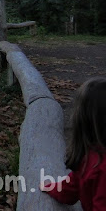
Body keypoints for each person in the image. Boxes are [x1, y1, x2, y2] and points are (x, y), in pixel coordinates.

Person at [42, 77, 106, 210]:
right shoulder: (89, 158)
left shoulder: (94, 162)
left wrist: (45, 187)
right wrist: (49, 187)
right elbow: (70, 189)